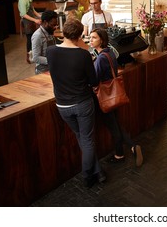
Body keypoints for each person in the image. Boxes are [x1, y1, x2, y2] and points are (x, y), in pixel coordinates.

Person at [46, 18, 105, 188]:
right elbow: (93, 82)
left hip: (62, 106)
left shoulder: (50, 51)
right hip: (82, 103)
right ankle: (88, 176)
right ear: (80, 35)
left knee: (82, 137)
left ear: (63, 33)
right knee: (87, 140)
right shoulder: (83, 54)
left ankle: (98, 171)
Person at [90, 28, 143, 166]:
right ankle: (130, 147)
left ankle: (121, 153)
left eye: (94, 38)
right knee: (117, 124)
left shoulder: (101, 58)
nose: (90, 40)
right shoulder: (110, 53)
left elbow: (95, 79)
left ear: (101, 39)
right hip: (114, 94)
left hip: (105, 96)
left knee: (114, 127)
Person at [18, 0, 41, 64]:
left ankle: (34, 55)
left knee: (33, 38)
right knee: (29, 39)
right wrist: (35, 20)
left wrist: (40, 16)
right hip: (27, 22)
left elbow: (32, 10)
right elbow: (23, 14)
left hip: (31, 21)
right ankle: (29, 57)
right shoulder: (22, 0)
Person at [31, 10, 58, 74]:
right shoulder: (37, 36)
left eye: (56, 25)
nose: (55, 27)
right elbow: (35, 58)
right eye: (53, 25)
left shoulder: (49, 31)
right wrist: (52, 61)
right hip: (42, 69)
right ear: (45, 22)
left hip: (51, 66)